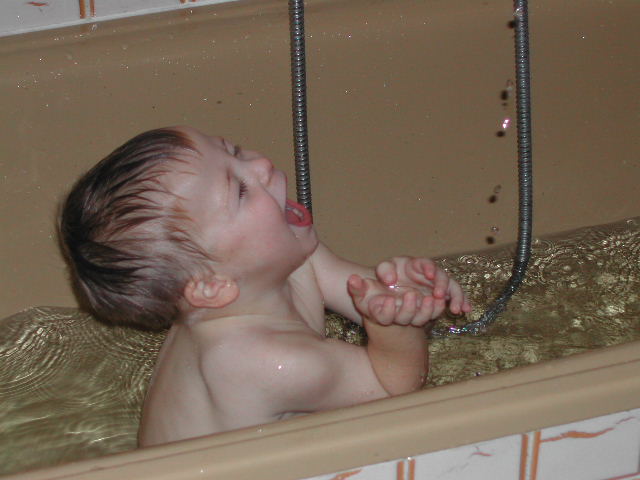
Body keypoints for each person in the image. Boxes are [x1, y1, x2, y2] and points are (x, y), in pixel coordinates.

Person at [58, 126, 471, 447]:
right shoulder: (257, 361)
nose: (261, 166)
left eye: (234, 150)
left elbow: (368, 297)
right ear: (210, 285)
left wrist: (407, 294)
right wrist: (400, 331)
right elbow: (393, 388)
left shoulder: (278, 263)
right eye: (238, 190)